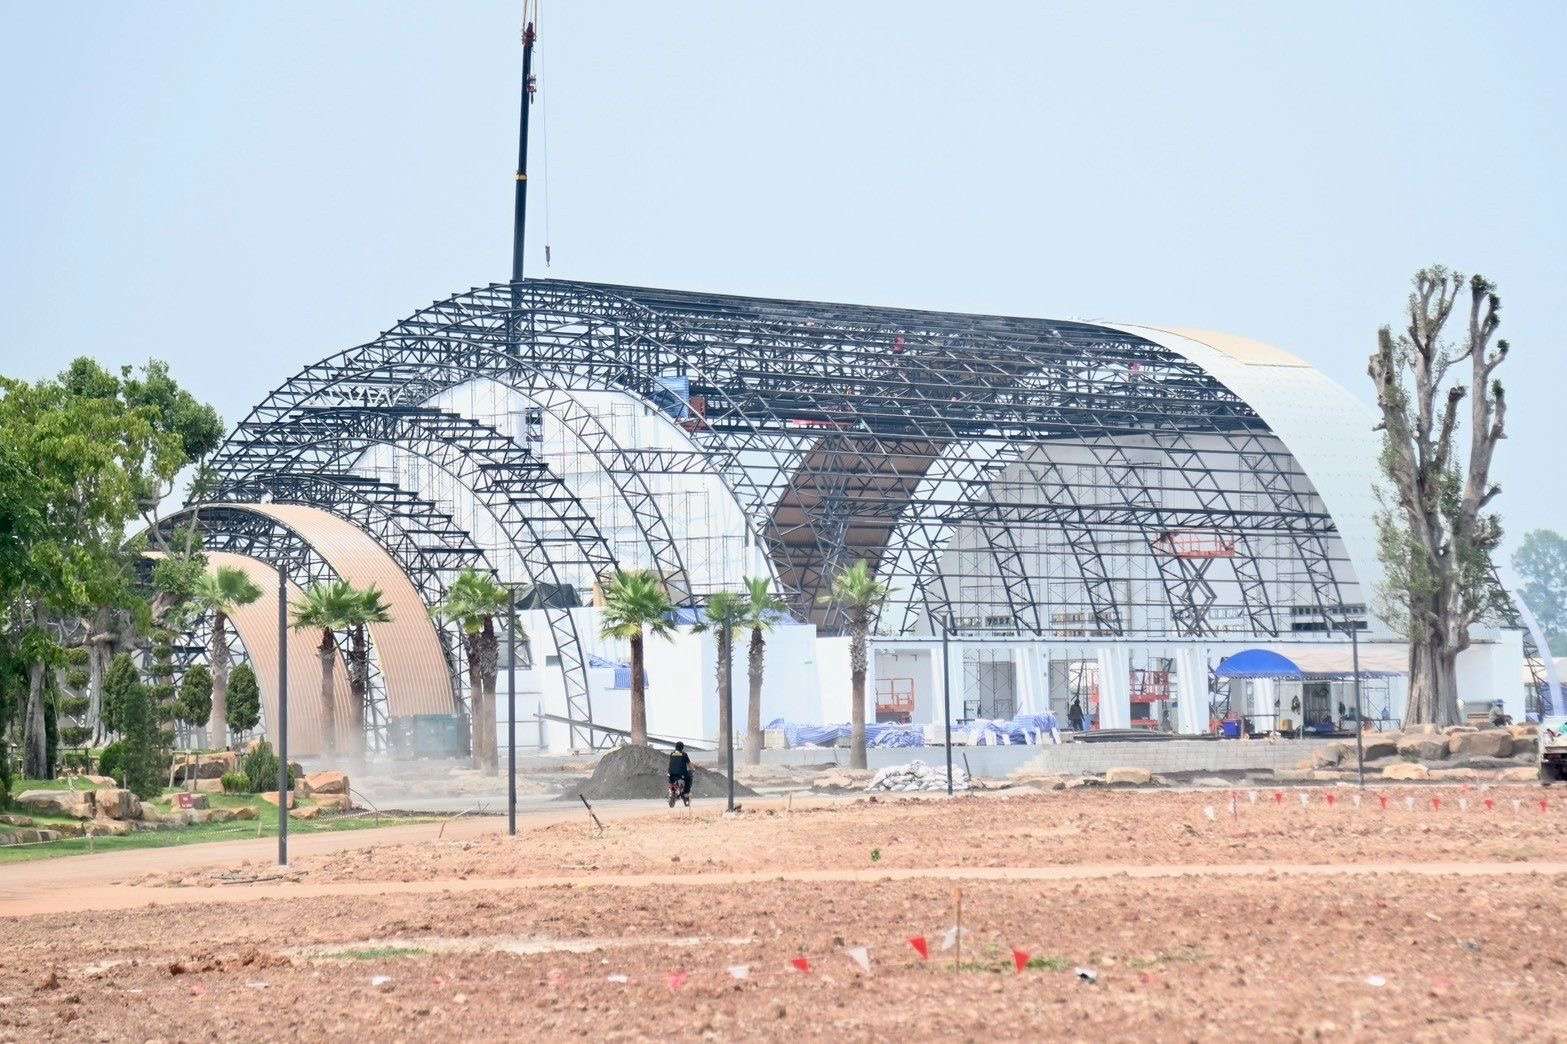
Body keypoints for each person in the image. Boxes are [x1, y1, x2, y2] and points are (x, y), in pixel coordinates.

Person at [667, 741, 693, 807]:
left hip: (671, 774)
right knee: (689, 778)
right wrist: (692, 769)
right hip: (682, 774)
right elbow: (689, 764)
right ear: (682, 748)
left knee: (671, 783)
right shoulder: (684, 754)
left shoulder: (672, 754)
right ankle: (685, 794)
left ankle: (671, 793)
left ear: (676, 747)